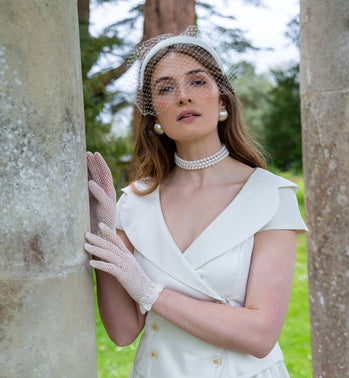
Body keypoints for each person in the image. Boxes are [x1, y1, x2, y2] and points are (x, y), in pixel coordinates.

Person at [85, 27, 307, 378]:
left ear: (222, 101)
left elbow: (260, 334)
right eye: (165, 88)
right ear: (154, 115)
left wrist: (148, 292)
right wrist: (105, 229)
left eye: (198, 82)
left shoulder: (270, 196)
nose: (183, 97)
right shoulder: (133, 203)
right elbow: (123, 332)